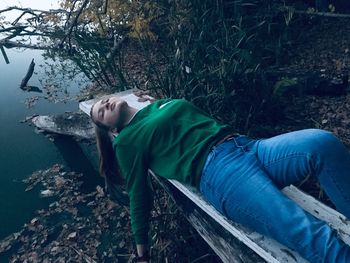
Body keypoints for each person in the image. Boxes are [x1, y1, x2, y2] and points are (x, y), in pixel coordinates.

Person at [90, 95, 350, 263]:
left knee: (321, 144)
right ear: (112, 130)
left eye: (103, 101)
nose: (104, 104)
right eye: (101, 112)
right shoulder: (126, 141)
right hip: (220, 173)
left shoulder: (157, 105)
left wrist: (151, 104)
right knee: (310, 231)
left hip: (247, 146)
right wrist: (141, 252)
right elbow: (139, 194)